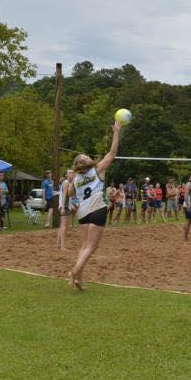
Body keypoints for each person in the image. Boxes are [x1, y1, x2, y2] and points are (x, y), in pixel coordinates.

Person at [68, 121, 121, 291]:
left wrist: (72, 181)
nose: (88, 156)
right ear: (85, 162)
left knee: (84, 247)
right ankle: (75, 271)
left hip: (83, 213)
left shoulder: (77, 178)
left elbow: (70, 194)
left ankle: (79, 280)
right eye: (86, 156)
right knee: (91, 247)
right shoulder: (98, 169)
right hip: (97, 209)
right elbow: (112, 153)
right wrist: (116, 132)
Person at [57, 169, 75, 250]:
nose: (72, 174)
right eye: (70, 173)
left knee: (63, 227)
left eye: (72, 173)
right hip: (65, 207)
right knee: (64, 227)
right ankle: (62, 246)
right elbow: (64, 196)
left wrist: (72, 205)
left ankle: (58, 244)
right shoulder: (66, 183)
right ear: (66, 175)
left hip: (67, 206)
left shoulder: (70, 183)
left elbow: (69, 196)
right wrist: (63, 207)